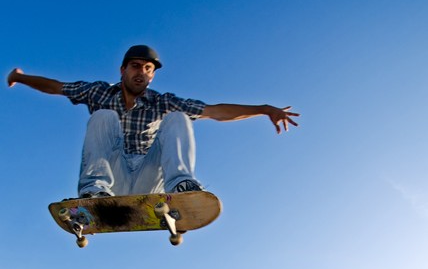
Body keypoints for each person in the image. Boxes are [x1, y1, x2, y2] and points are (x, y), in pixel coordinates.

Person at [7, 45, 299, 197]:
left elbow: (214, 111)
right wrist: (20, 77)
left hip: (151, 180)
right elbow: (57, 86)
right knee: (103, 116)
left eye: (148, 69)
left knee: (178, 116)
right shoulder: (97, 91)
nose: (141, 73)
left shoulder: (162, 100)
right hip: (113, 177)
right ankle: (94, 191)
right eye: (135, 67)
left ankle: (182, 187)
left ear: (152, 75)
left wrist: (262, 108)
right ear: (122, 70)